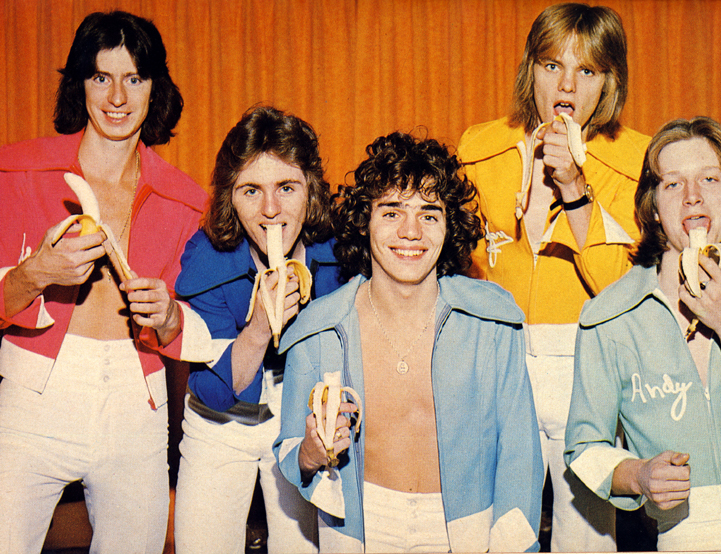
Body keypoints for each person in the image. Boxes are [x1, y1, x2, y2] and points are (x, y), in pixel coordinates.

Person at [273, 131, 543, 553]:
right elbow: (290, 450)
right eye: (392, 212)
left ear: (449, 226)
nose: (411, 231)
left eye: (429, 215)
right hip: (358, 526)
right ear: (365, 222)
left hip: (469, 527)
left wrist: (511, 545)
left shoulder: (492, 322)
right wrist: (311, 452)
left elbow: (520, 456)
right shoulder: (318, 329)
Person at [0, 11, 209, 553]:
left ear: (155, 88)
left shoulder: (187, 201)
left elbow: (196, 329)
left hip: (136, 403)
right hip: (34, 390)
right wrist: (34, 274)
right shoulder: (16, 171)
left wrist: (169, 317)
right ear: (80, 84)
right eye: (101, 77)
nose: (117, 97)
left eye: (134, 79)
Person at [457, 3, 650, 550]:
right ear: (531, 70)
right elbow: (458, 272)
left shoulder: (636, 162)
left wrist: (574, 186)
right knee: (496, 532)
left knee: (585, 537)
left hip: (586, 362)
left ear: (608, 81)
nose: (567, 85)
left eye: (586, 70)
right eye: (551, 65)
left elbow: (620, 290)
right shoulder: (480, 149)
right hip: (498, 360)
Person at [564, 116, 721, 551]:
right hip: (686, 531)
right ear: (653, 208)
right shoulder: (609, 319)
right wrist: (638, 474)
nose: (693, 196)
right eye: (672, 184)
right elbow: (585, 448)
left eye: (709, 178)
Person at [173, 105, 341, 553]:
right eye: (251, 191)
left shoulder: (338, 255)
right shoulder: (207, 258)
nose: (271, 210)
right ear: (230, 198)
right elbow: (213, 392)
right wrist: (259, 328)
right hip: (220, 423)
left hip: (300, 415)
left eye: (286, 188)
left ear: (311, 189)